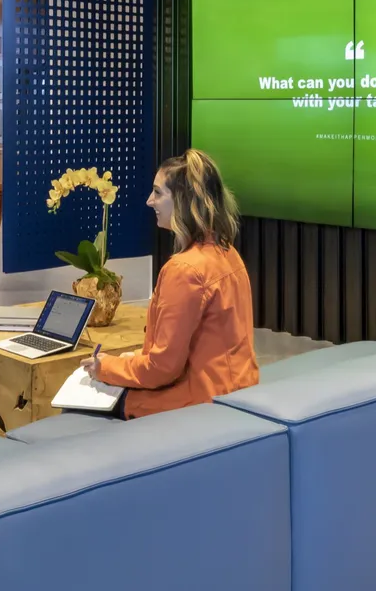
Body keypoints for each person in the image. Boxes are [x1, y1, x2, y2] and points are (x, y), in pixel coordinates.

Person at [81, 149, 258, 419]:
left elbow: (162, 369)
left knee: (84, 398)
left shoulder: (184, 270)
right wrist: (132, 359)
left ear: (183, 201)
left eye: (158, 193)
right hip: (236, 390)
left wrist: (106, 368)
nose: (149, 201)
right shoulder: (228, 253)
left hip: (199, 403)